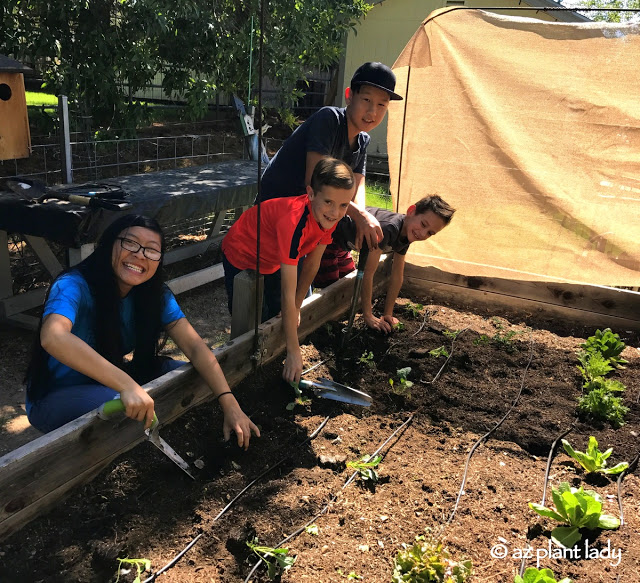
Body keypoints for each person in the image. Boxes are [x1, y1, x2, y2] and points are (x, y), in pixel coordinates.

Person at [25, 214, 260, 449]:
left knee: (191, 377)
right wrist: (127, 385)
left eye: (151, 250)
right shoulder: (73, 285)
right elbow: (53, 336)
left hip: (112, 383)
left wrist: (230, 403)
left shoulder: (154, 295)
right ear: (108, 245)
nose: (140, 254)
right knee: (125, 409)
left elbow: (195, 347)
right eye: (130, 243)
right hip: (54, 397)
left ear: (158, 260)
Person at [258, 61, 404, 287]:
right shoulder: (329, 120)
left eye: (381, 105)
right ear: (349, 95)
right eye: (366, 100)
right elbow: (315, 181)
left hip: (311, 216)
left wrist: (362, 217)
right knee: (277, 293)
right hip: (277, 213)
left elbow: (358, 185)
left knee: (322, 284)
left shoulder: (362, 140)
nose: (372, 112)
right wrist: (360, 217)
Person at [222, 158, 355, 384]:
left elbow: (313, 264)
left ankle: (273, 362)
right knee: (251, 319)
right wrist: (295, 352)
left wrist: (297, 304)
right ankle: (245, 373)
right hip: (241, 254)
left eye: (344, 205)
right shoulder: (294, 221)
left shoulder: (328, 219)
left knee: (281, 314)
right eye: (329, 202)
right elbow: (287, 289)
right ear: (311, 193)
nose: (335, 212)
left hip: (273, 259)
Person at [333, 195, 456, 333]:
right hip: (330, 235)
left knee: (345, 291)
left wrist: (388, 314)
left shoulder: (406, 234)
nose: (422, 233)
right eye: (423, 224)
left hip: (343, 246)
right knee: (330, 287)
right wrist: (368, 315)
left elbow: (397, 275)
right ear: (411, 211)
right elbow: (368, 272)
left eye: (430, 233)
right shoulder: (388, 228)